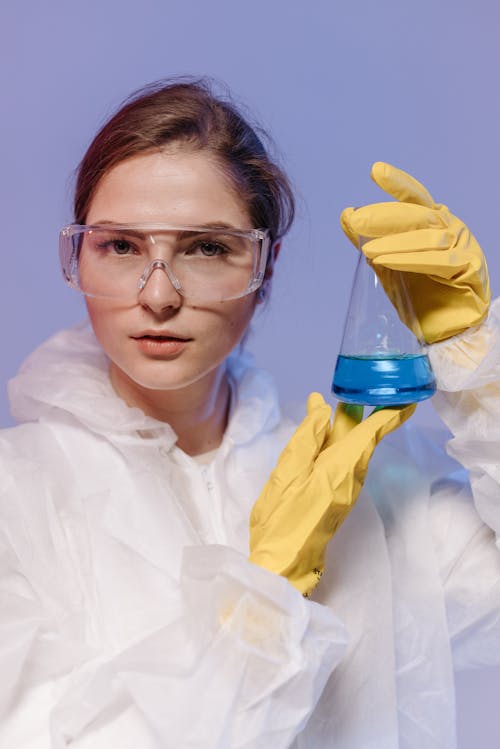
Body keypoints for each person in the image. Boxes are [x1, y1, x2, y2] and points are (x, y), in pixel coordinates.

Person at [0, 78, 499, 749]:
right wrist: (264, 601)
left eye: (206, 247)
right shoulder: (18, 501)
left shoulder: (358, 485)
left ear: (265, 267)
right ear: (79, 252)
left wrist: (480, 370)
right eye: (120, 246)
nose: (157, 296)